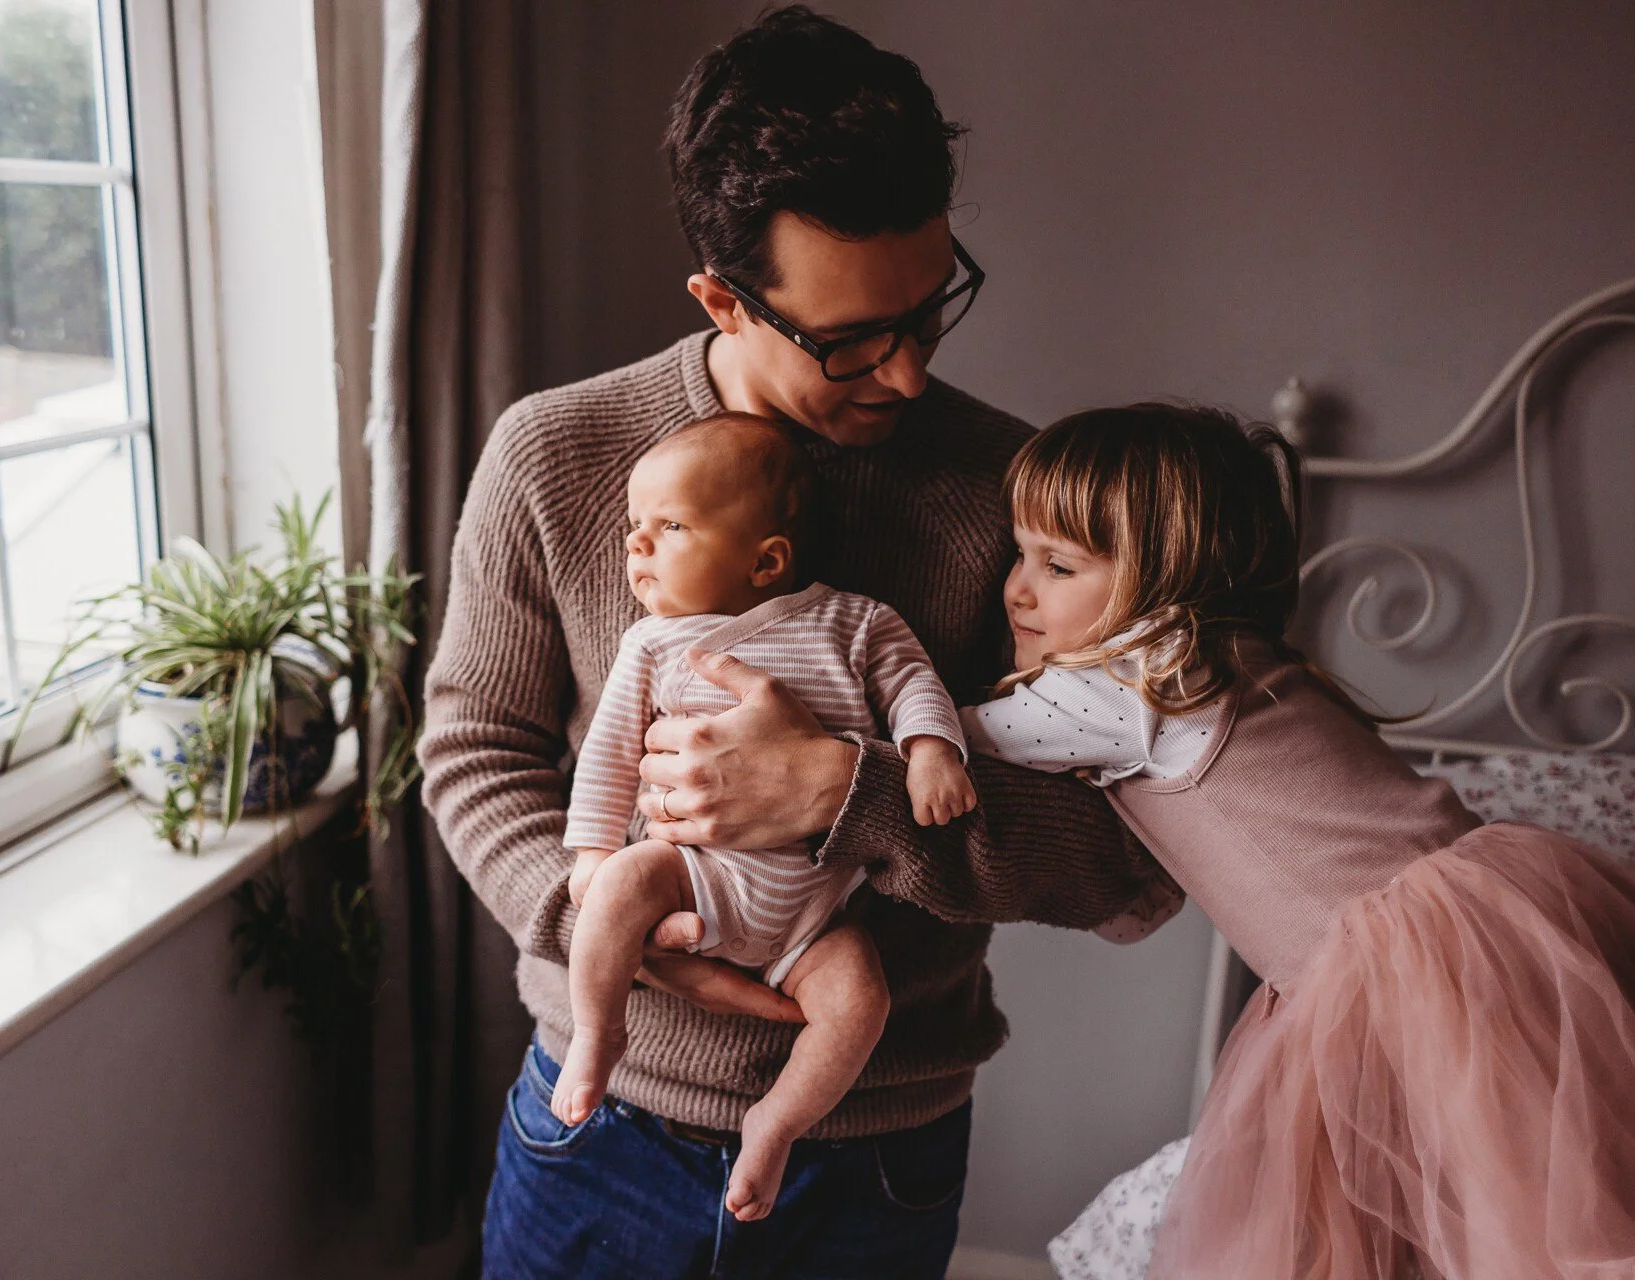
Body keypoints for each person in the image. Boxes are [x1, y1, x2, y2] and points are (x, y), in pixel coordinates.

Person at [417, 10, 1181, 1276]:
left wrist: (852, 793)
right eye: (848, 342)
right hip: (593, 1126)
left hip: (876, 1150)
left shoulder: (1021, 498)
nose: (906, 376)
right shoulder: (552, 454)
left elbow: (1126, 863)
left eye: (931, 309)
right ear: (722, 296)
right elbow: (474, 749)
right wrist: (605, 920)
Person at [961, 402, 1635, 1278]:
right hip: (1459, 944)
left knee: (1515, 1213)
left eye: (1057, 565)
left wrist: (855, 681)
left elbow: (946, 735)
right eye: (1020, 553)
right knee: (1540, 1191)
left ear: (1169, 577)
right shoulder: (1214, 658)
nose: (1016, 587)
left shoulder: (1124, 687)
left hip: (1403, 976)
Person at [557, 413, 975, 1222]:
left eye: (669, 527)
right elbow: (608, 755)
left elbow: (915, 686)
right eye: (632, 530)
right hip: (693, 877)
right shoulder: (651, 644)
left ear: (767, 558)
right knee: (615, 891)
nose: (638, 548)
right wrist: (591, 858)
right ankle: (599, 1032)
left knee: (860, 1001)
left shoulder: (855, 623)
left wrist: (929, 752)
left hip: (815, 908)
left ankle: (776, 1122)